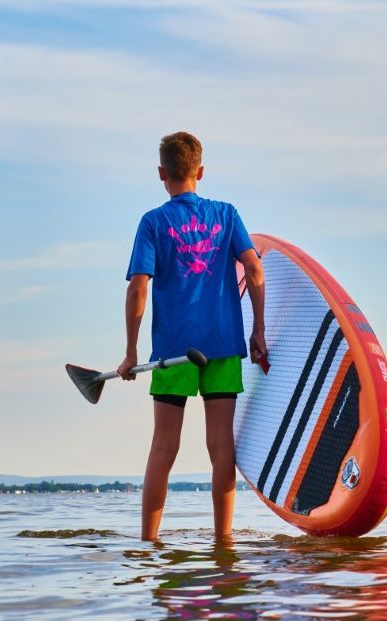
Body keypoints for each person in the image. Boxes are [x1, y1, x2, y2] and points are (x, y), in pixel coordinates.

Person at [118, 131, 267, 542]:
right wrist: (258, 329)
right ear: (200, 172)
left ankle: (148, 544)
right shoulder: (227, 214)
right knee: (221, 445)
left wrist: (130, 353)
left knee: (164, 446)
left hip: (173, 353)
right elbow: (255, 271)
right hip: (222, 346)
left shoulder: (153, 222)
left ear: (161, 173)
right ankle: (224, 542)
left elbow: (138, 288)